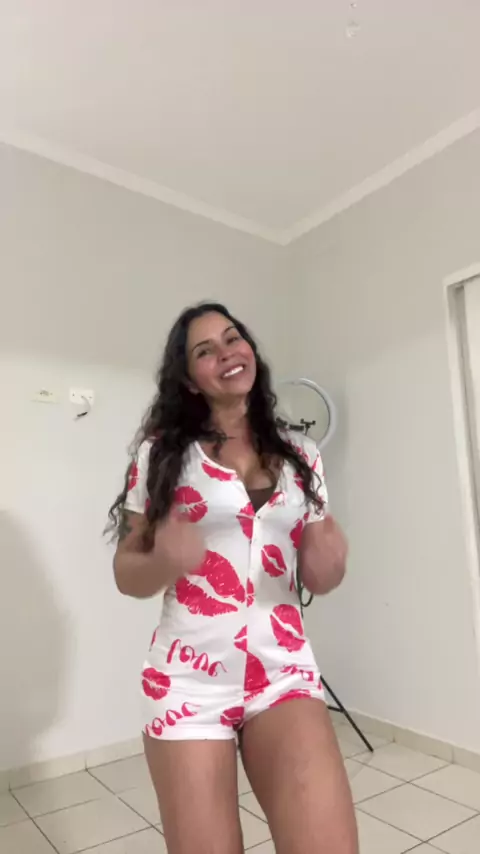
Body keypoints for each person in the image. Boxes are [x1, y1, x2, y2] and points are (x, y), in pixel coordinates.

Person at [108, 302, 358, 854]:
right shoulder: (160, 456)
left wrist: (328, 565)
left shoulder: (302, 456)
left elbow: (316, 573)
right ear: (188, 379)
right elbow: (127, 572)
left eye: (232, 338)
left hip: (283, 673)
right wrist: (163, 560)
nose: (226, 353)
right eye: (205, 351)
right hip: (188, 681)